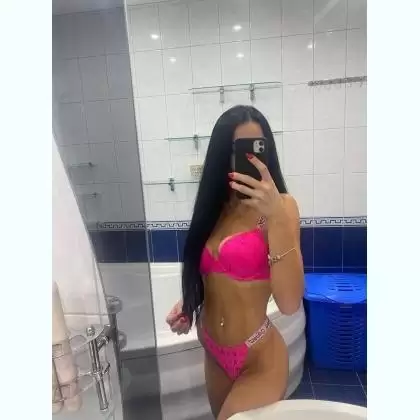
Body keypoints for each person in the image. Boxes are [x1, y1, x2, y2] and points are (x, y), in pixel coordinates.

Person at [166, 105, 304, 419]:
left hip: (259, 359)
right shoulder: (214, 208)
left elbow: (289, 302)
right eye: (237, 150)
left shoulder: (283, 206)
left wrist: (275, 217)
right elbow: (212, 277)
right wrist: (189, 302)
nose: (248, 159)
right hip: (213, 355)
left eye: (257, 149)